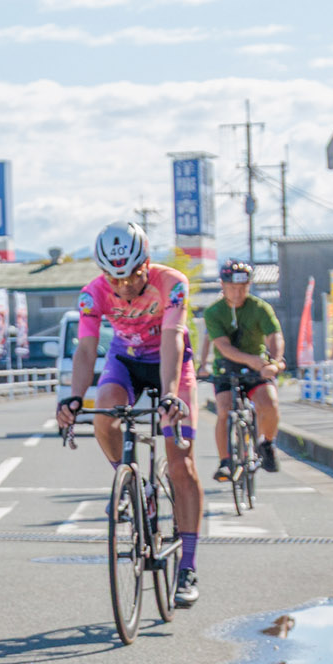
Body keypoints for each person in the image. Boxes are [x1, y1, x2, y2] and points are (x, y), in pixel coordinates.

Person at [55, 221, 206, 609]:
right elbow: (86, 348)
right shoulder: (92, 293)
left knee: (182, 463)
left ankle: (187, 567)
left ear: (146, 264)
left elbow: (173, 338)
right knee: (103, 414)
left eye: (133, 276)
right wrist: (74, 398)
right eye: (114, 278)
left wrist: (170, 394)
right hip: (126, 359)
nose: (123, 286)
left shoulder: (172, 283)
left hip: (170, 362)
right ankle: (134, 486)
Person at [205, 259, 284, 479]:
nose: (238, 293)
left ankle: (267, 444)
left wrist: (275, 361)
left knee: (270, 403)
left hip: (258, 367)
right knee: (223, 410)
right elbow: (223, 346)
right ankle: (225, 461)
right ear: (222, 285)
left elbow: (274, 335)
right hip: (227, 367)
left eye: (243, 287)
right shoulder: (213, 312)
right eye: (232, 287)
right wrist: (251, 361)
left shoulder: (260, 308)